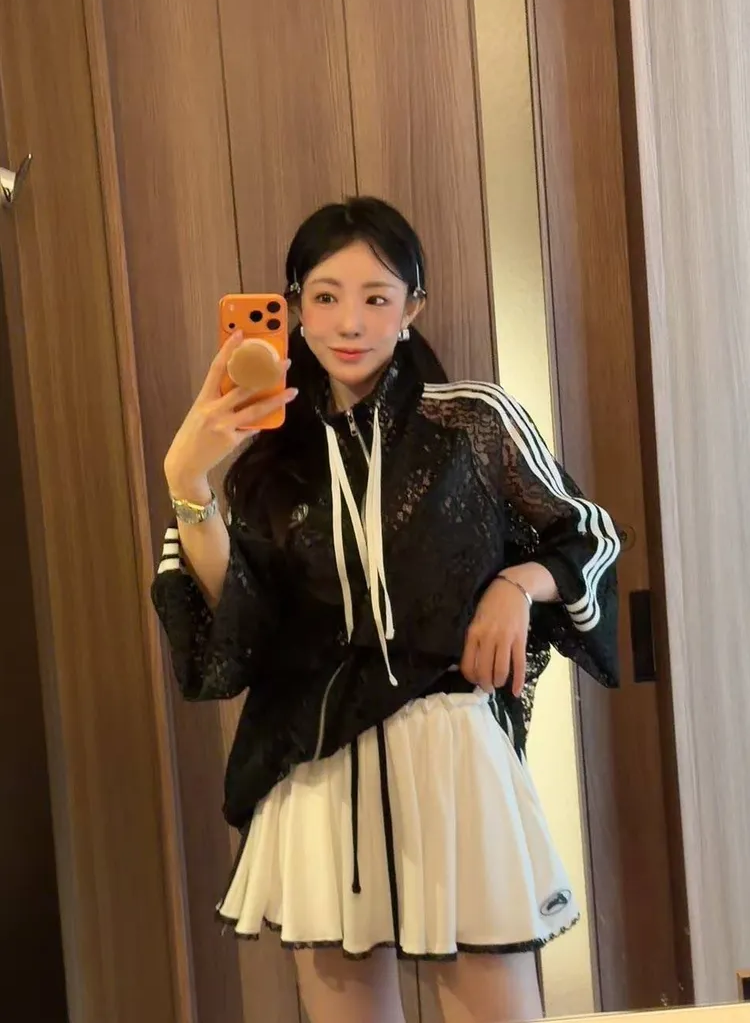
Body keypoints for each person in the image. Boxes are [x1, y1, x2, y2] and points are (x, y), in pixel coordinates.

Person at [152, 196, 621, 1023]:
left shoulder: (472, 419)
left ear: (412, 309)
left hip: (451, 752)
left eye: (376, 296)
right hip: (318, 767)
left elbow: (586, 533)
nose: (350, 321)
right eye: (326, 296)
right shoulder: (268, 456)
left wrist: (517, 585)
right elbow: (241, 625)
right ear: (294, 310)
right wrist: (189, 482)